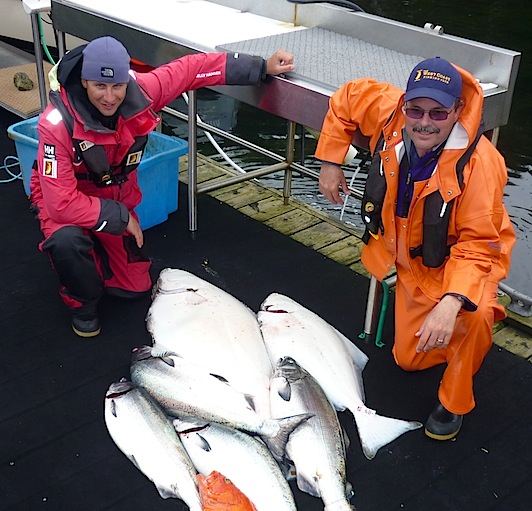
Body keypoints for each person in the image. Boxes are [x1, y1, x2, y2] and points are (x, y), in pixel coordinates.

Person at [30, 36, 295, 338]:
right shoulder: (56, 124)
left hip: (112, 195)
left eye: (117, 86)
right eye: (99, 86)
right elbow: (60, 203)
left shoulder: (143, 91)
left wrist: (260, 67)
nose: (109, 97)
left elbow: (192, 69)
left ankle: (98, 252)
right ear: (84, 82)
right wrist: (120, 217)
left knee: (134, 288)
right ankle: (81, 302)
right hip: (64, 197)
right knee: (67, 242)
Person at [316, 57, 516, 441]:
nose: (425, 122)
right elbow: (347, 97)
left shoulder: (482, 164)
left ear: (457, 110)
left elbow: (478, 245)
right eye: (416, 110)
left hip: (470, 258)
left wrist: (451, 302)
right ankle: (449, 330)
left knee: (474, 314)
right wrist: (330, 160)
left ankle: (454, 400)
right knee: (408, 360)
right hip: (413, 261)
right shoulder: (390, 114)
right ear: (404, 104)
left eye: (439, 113)